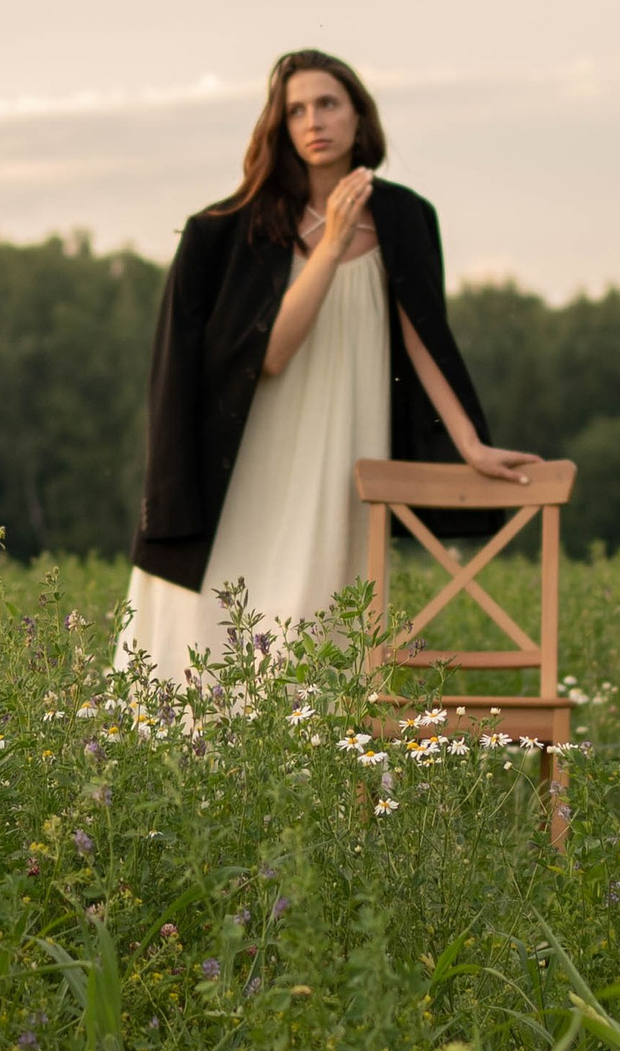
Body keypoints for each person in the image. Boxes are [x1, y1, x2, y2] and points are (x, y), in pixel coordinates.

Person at [119, 47, 540, 682]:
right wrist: (333, 241)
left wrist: (470, 444)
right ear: (280, 127)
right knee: (217, 620)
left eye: (327, 104)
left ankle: (316, 743)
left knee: (325, 612)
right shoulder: (236, 228)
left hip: (345, 444)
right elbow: (271, 355)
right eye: (296, 111)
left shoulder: (405, 218)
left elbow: (425, 340)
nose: (313, 121)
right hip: (251, 455)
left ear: (357, 117)